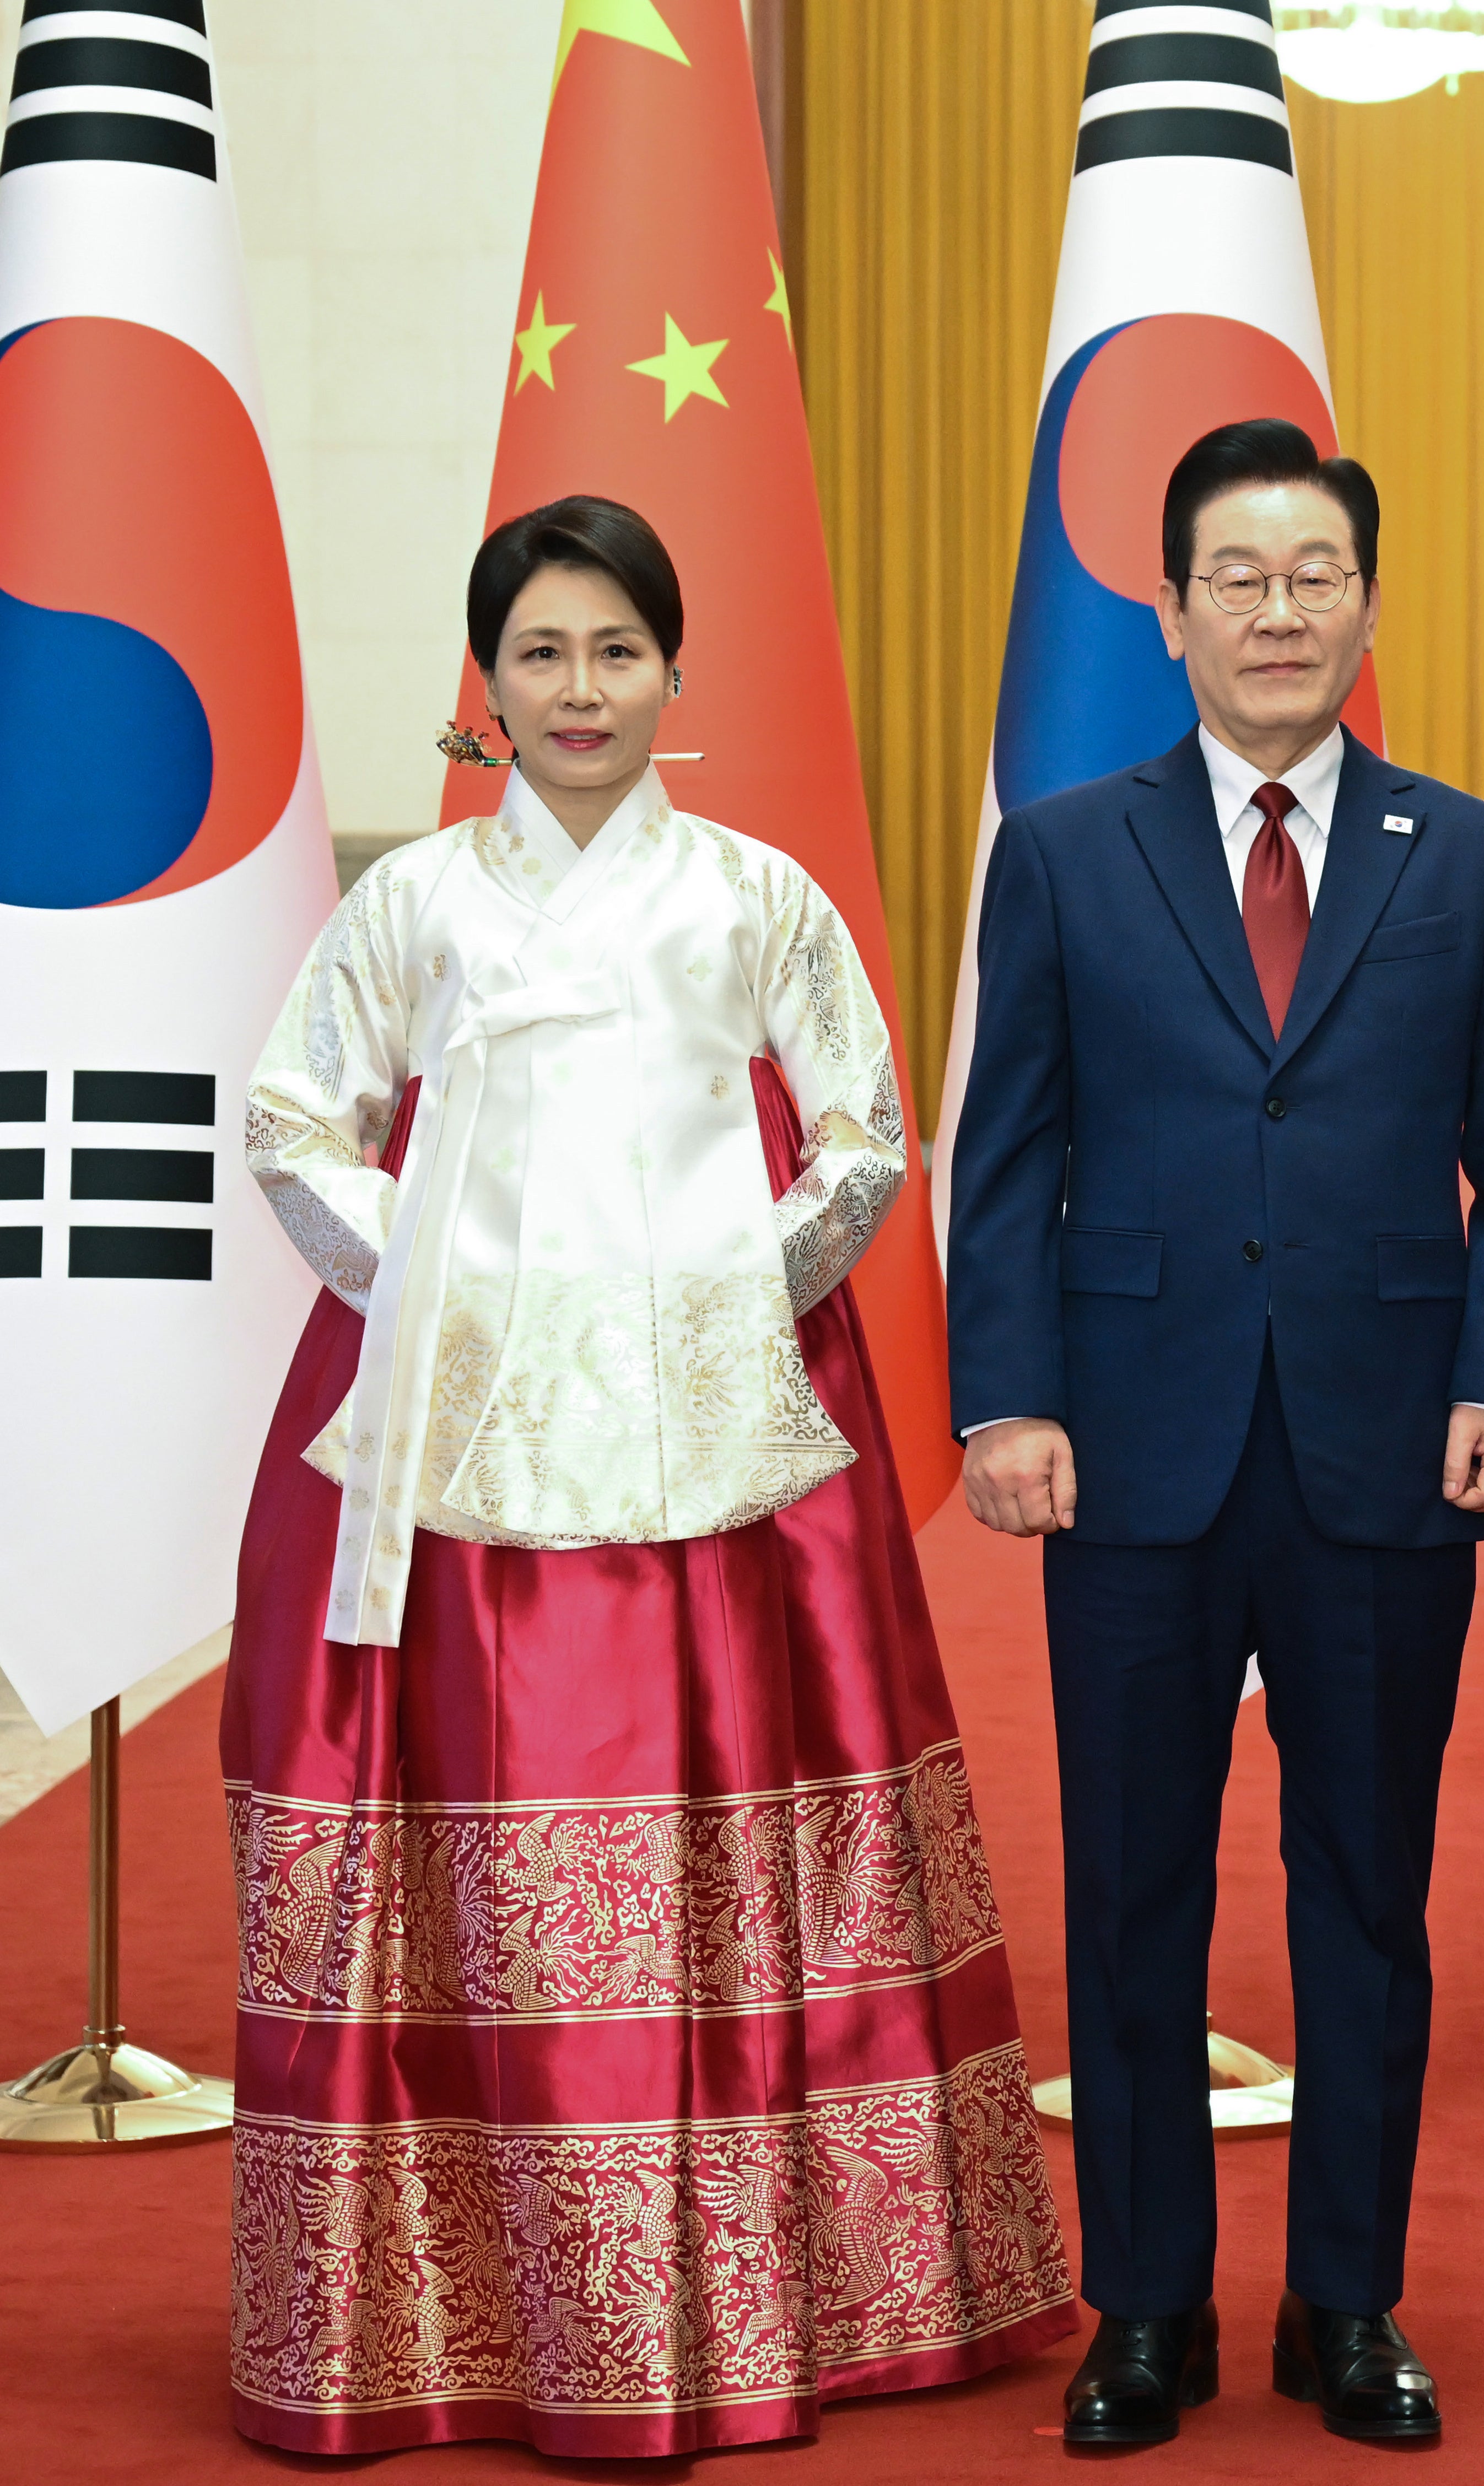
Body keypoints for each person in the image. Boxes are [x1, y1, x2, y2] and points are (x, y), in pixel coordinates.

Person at [227, 497, 1075, 2457]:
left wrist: (690, 1311)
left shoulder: (756, 898)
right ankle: (459, 2326)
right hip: (464, 1448)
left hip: (719, 1446)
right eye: (540, 652)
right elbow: (293, 1122)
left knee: (739, 1828)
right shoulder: (415, 905)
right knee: (474, 1846)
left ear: (676, 675)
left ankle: (798, 2304)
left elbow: (862, 1138)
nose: (580, 688)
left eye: (617, 650)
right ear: (488, 682)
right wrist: (451, 1299)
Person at [948, 419, 1484, 2448]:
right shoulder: (1063, 848)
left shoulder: (1474, 859)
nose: (1281, 609)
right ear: (1168, 610)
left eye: (1318, 573)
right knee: (1133, 1894)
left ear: (1369, 606)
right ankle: (1145, 2309)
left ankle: (1344, 2301)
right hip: (1127, 1452)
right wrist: (1009, 1395)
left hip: (1388, 1454)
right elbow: (1010, 1149)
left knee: (1364, 1897)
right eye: (1240, 573)